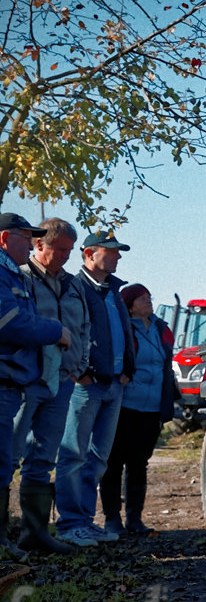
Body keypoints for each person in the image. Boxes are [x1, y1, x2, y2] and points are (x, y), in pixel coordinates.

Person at [12, 218, 90, 555]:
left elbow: (84, 328)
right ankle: (5, 538)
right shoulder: (21, 279)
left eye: (69, 251)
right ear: (38, 245)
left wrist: (78, 367)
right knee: (9, 454)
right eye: (59, 249)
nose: (65, 257)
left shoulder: (73, 285)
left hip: (61, 384)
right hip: (25, 382)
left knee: (44, 458)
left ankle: (36, 533)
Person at [55, 230, 135, 547]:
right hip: (86, 386)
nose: (117, 256)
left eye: (118, 251)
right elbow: (69, 331)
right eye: (111, 251)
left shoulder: (112, 291)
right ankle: (69, 525)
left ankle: (85, 522)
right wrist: (80, 371)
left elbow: (123, 332)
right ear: (89, 254)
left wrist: (128, 368)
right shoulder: (74, 288)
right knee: (73, 455)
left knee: (99, 458)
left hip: (114, 385)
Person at [0, 213, 70, 560]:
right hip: (13, 380)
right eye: (24, 237)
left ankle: (33, 533)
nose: (29, 243)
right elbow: (11, 323)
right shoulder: (9, 275)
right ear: (3, 239)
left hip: (36, 379)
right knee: (5, 459)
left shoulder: (16, 274)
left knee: (37, 458)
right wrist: (55, 331)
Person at [100, 284, 175, 535]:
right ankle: (112, 519)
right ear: (130, 304)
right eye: (143, 298)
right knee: (114, 461)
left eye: (149, 297)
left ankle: (135, 519)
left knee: (139, 463)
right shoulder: (122, 328)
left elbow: (166, 366)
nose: (149, 301)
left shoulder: (161, 328)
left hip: (152, 407)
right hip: (125, 405)